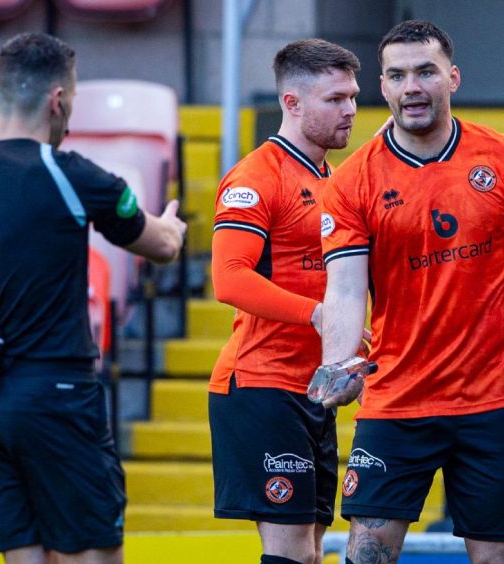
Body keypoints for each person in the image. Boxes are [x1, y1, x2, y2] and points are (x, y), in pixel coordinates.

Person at [318, 19, 504, 564]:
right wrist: (338, 361)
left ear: (452, 77)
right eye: (398, 75)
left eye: (426, 71)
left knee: (500, 558)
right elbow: (342, 291)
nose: (412, 87)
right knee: (366, 555)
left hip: (491, 400)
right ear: (382, 87)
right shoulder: (351, 181)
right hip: (396, 402)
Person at [0, 32, 186, 564]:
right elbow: (161, 246)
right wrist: (172, 225)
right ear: (58, 100)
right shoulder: (70, 175)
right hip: (59, 396)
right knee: (93, 556)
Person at [207, 39, 360, 564]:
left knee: (312, 553)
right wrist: (318, 314)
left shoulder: (330, 179)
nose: (350, 110)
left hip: (314, 390)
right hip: (261, 386)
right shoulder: (256, 175)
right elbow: (228, 279)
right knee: (292, 552)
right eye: (335, 99)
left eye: (353, 97)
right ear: (291, 103)